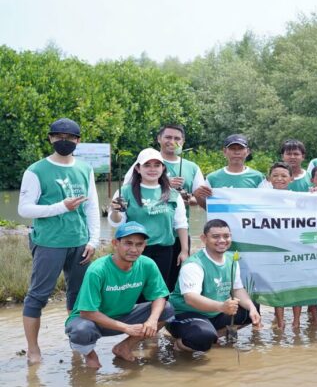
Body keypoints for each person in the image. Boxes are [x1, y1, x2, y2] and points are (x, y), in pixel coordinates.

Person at [17, 117, 100, 364]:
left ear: (78, 141)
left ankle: (78, 346)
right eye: (59, 136)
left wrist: (93, 240)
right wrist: (60, 207)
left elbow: (92, 207)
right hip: (49, 243)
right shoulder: (36, 170)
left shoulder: (85, 169)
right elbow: (25, 209)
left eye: (70, 137)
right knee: (38, 296)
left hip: (80, 242)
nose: (64, 141)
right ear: (51, 138)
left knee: (78, 297)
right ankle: (33, 350)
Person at [64, 222, 174, 369]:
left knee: (166, 309)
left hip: (124, 315)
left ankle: (124, 347)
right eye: (128, 243)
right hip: (92, 321)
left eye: (139, 244)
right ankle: (90, 354)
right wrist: (125, 328)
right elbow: (87, 312)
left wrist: (152, 320)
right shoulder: (97, 269)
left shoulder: (147, 264)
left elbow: (159, 296)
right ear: (115, 243)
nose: (134, 249)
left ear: (144, 246)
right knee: (81, 331)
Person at [124, 124, 205, 291]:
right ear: (159, 139)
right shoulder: (141, 162)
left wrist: (185, 197)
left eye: (177, 138)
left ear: (183, 141)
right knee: (140, 282)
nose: (172, 141)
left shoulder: (192, 167)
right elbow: (127, 194)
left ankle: (167, 312)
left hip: (176, 234)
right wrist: (167, 185)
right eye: (168, 137)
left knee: (172, 280)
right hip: (145, 236)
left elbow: (199, 198)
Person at [168, 219, 261, 352]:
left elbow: (237, 289)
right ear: (204, 238)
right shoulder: (193, 264)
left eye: (226, 236)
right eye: (216, 236)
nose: (222, 240)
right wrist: (222, 307)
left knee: (252, 308)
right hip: (186, 313)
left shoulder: (231, 259)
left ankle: (214, 336)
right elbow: (191, 298)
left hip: (216, 312)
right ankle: (181, 344)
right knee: (202, 338)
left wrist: (251, 308)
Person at [109, 148, 189, 287]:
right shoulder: (125, 192)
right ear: (138, 169)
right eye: (147, 165)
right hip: (134, 250)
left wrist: (184, 251)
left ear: (163, 168)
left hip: (164, 250)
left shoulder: (172, 193)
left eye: (156, 165)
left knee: (159, 289)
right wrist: (115, 211)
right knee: (134, 289)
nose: (152, 169)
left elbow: (181, 224)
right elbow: (116, 222)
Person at [193, 134, 264, 209]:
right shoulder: (212, 178)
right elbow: (207, 207)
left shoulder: (259, 177)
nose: (237, 152)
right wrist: (197, 196)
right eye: (232, 148)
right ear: (224, 151)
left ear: (248, 151)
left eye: (240, 148)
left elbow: (266, 204)